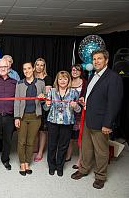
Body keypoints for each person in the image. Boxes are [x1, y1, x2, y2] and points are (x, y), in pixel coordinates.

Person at [71, 49, 123, 189]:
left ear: (106, 60)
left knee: (101, 150)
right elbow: (94, 96)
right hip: (88, 117)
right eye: (94, 59)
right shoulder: (93, 75)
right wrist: (85, 99)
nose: (96, 61)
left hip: (101, 122)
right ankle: (83, 169)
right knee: (86, 147)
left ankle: (100, 176)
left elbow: (114, 103)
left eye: (99, 59)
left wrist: (108, 124)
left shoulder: (113, 78)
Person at [44, 71, 81, 177]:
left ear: (68, 80)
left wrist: (75, 106)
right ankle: (52, 166)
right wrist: (47, 104)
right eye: (60, 79)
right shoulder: (52, 91)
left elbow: (78, 110)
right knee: (52, 144)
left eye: (65, 79)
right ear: (57, 80)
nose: (63, 81)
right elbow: (45, 108)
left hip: (67, 122)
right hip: (53, 121)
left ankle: (60, 166)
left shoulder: (74, 92)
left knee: (63, 145)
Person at [14, 62, 45, 176]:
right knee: (21, 141)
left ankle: (27, 162)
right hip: (22, 116)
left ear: (33, 69)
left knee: (31, 142)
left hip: (35, 117)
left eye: (29, 68)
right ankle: (22, 163)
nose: (27, 71)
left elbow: (45, 103)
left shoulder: (41, 83)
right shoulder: (20, 83)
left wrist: (44, 98)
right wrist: (16, 117)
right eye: (24, 69)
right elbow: (17, 101)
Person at [65, 64, 87, 169]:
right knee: (70, 137)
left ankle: (80, 160)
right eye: (73, 70)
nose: (75, 72)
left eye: (77, 70)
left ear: (81, 72)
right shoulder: (68, 81)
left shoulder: (85, 83)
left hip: (79, 113)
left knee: (80, 138)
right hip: (68, 113)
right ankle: (68, 155)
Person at [34, 58, 52, 162]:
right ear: (35, 66)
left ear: (44, 67)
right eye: (37, 65)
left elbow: (47, 94)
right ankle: (36, 147)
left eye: (42, 65)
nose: (39, 67)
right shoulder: (31, 77)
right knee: (35, 129)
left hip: (43, 106)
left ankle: (40, 151)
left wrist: (42, 96)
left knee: (42, 130)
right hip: (33, 106)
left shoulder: (47, 78)